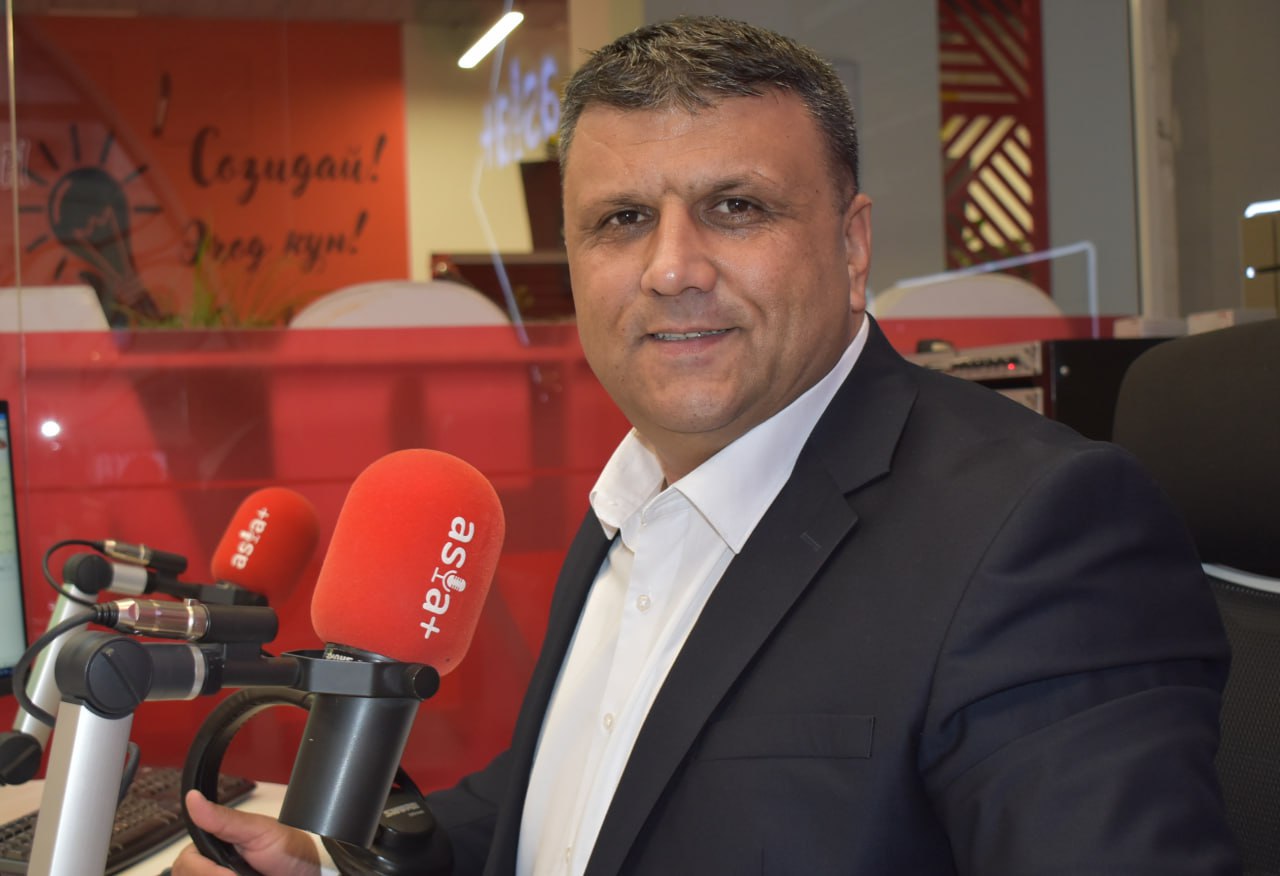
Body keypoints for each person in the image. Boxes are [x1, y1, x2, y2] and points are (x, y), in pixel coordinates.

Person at [175, 15, 1241, 876]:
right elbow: (573, 801)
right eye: (621, 219)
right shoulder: (634, 496)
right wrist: (340, 862)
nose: (671, 268)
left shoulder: (1037, 531)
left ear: (852, 246)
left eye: (735, 207)